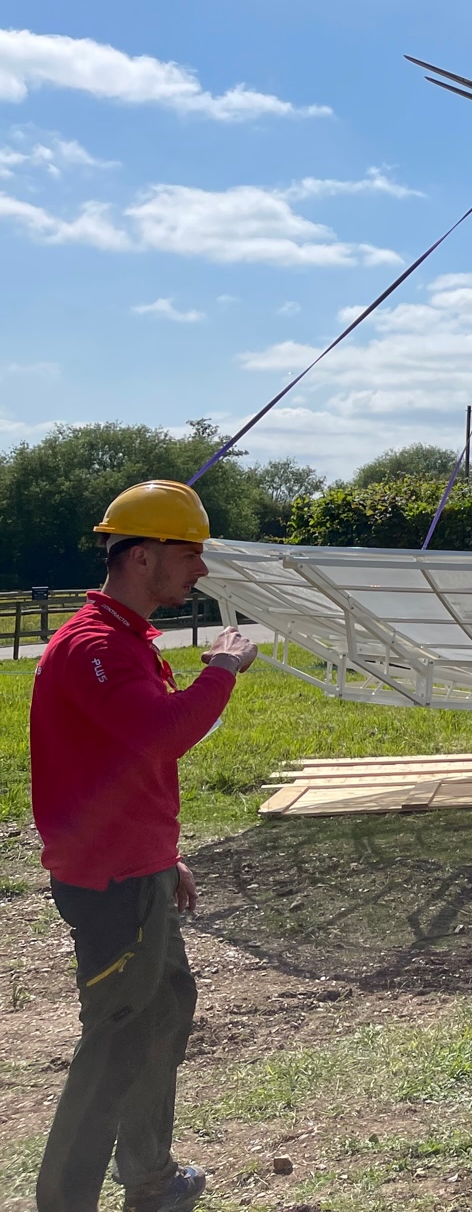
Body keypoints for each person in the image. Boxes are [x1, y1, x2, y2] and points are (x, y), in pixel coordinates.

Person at [31, 480, 260, 1212]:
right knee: (118, 1041)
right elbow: (164, 734)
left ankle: (151, 1179)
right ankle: (67, 1202)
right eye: (188, 552)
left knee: (164, 1010)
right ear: (141, 556)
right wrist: (220, 669)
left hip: (140, 868)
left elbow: (128, 761)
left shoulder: (125, 642)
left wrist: (166, 857)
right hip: (111, 883)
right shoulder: (95, 647)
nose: (199, 568)